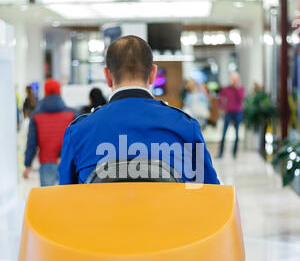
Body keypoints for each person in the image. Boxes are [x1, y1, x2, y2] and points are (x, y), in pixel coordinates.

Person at [59, 35, 219, 185]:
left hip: (100, 215)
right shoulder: (185, 127)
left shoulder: (78, 132)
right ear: (153, 74)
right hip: (169, 215)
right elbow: (210, 195)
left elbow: (66, 202)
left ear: (107, 76)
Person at [23, 79, 76, 187]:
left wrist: (27, 165)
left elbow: (31, 142)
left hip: (46, 162)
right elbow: (76, 139)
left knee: (48, 200)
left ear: (45, 93)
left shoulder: (36, 115)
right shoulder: (72, 113)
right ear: (59, 92)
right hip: (67, 162)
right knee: (67, 199)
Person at [218, 72, 246, 159]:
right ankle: (220, 153)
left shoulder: (241, 89)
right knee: (224, 134)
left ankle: (234, 153)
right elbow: (220, 98)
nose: (234, 80)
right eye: (233, 78)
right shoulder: (226, 89)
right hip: (228, 112)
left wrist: (237, 87)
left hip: (238, 112)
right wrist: (222, 107)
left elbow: (241, 98)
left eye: (236, 79)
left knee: (237, 134)